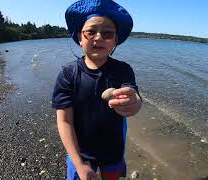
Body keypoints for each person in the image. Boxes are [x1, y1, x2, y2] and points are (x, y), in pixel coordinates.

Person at [52, 0, 142, 179]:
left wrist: (134, 103)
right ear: (79, 37)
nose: (99, 37)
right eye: (91, 32)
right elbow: (65, 121)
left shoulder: (123, 70)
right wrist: (79, 164)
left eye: (107, 33)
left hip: (113, 150)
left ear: (115, 40)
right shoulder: (68, 74)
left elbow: (134, 97)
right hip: (80, 153)